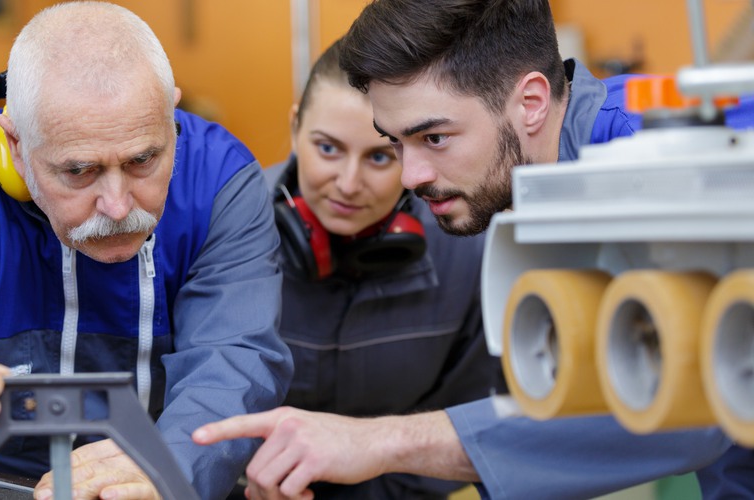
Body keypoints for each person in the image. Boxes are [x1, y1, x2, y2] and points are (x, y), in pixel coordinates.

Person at [193, 0, 754, 499]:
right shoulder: (541, 186)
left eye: (434, 138)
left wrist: (383, 441)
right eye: (397, 142)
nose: (411, 176)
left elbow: (691, 400)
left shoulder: (658, 164)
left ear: (531, 102)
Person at [0, 2, 292, 499]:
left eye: (143, 159)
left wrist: (170, 468)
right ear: (14, 145)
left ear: (171, 114)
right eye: (79, 171)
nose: (118, 205)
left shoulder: (220, 181)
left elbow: (234, 358)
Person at [261, 38, 500, 498]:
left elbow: (467, 422)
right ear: (295, 128)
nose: (348, 185)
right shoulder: (226, 234)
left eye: (378, 156)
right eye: (327, 148)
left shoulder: (467, 250)